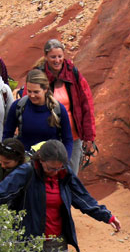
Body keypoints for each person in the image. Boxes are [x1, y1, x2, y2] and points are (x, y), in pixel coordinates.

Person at [34, 39, 96, 176]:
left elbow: (86, 104)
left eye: (60, 56)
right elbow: (29, 103)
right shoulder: (38, 75)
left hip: (73, 137)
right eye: (53, 57)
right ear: (45, 57)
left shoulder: (73, 74)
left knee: (71, 175)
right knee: (50, 175)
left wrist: (89, 136)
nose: (57, 60)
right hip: (48, 136)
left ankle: (68, 197)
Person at [3, 69, 73, 158]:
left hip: (50, 164)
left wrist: (64, 161)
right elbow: (7, 134)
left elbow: (67, 140)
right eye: (29, 91)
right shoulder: (18, 106)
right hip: (24, 162)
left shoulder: (58, 109)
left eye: (36, 92)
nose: (32, 95)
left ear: (45, 89)